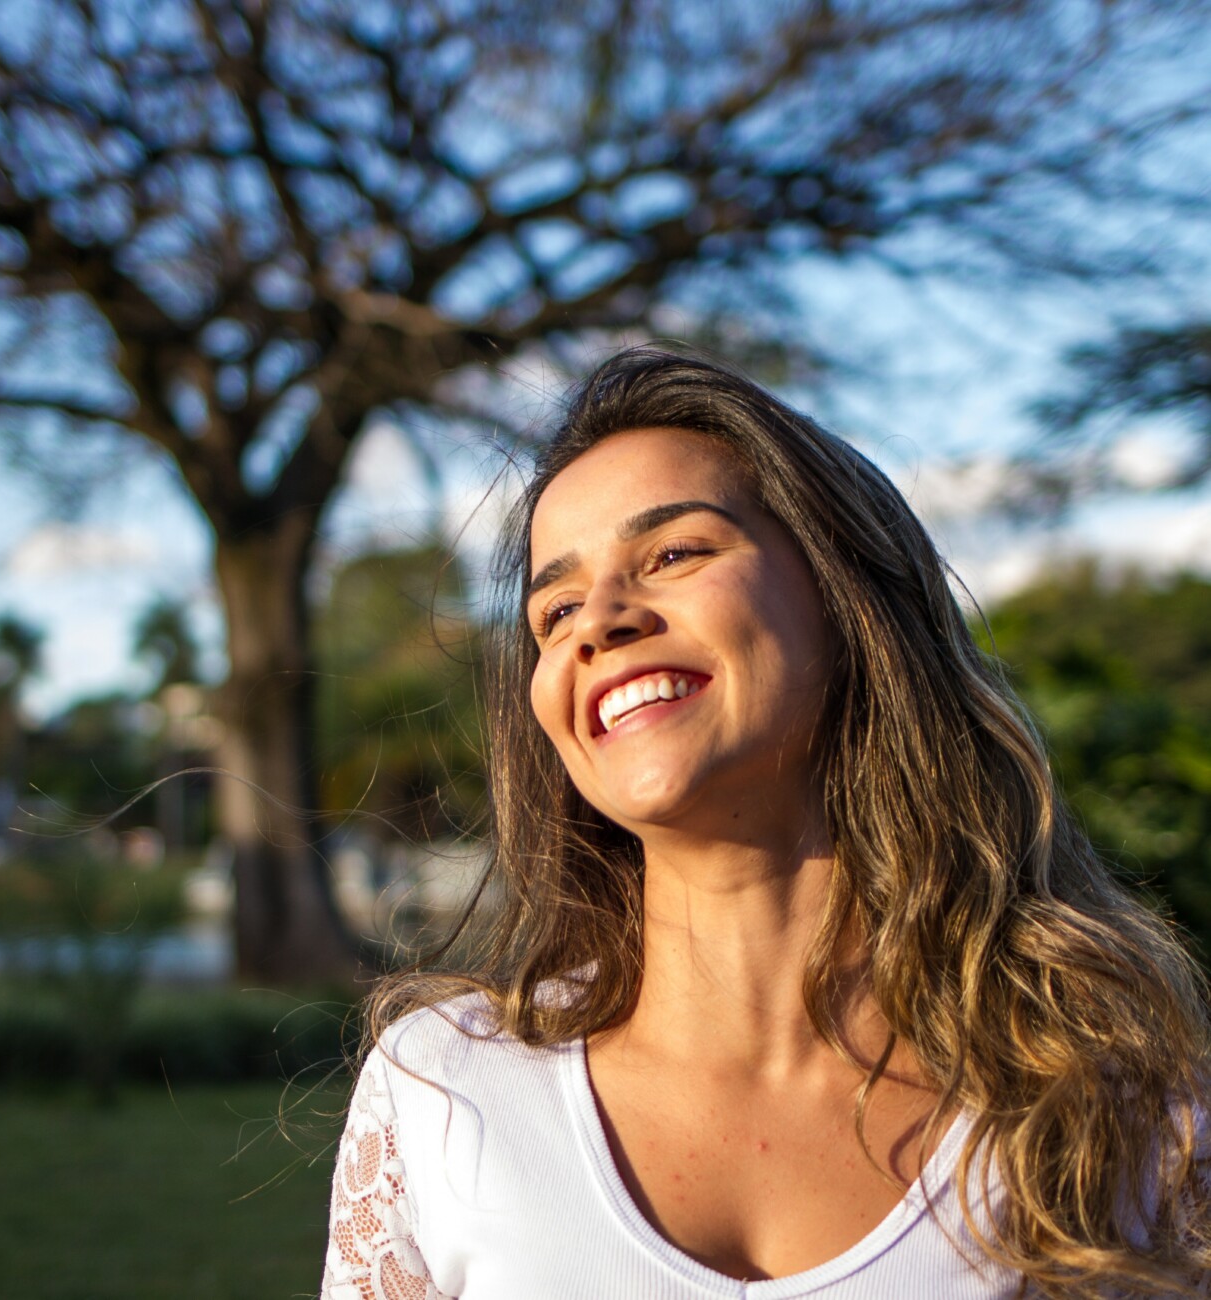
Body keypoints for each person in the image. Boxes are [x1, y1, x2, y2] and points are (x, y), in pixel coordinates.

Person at [320, 347, 1210, 1300]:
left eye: (674, 554)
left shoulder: (1112, 1101)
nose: (599, 622)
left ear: (847, 599)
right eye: (556, 607)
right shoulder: (441, 1092)